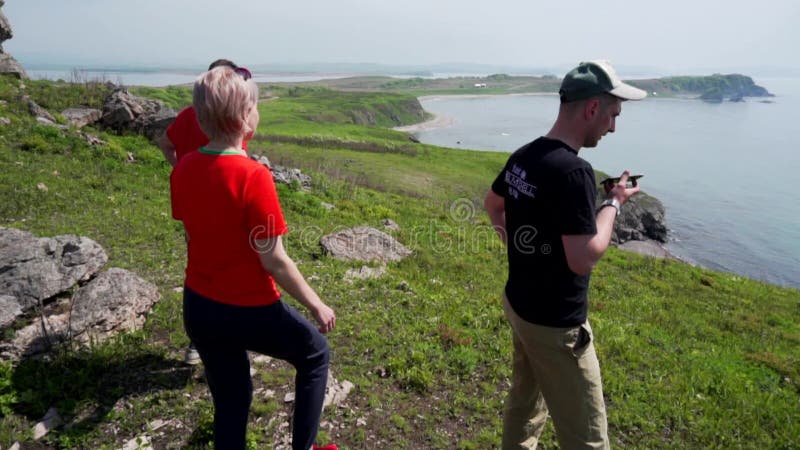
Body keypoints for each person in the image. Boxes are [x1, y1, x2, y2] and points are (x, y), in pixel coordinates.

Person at [170, 66, 337, 450]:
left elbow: (193, 235)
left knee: (232, 399)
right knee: (315, 354)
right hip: (249, 309)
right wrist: (317, 305)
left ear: (200, 117)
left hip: (199, 306)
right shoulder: (253, 176)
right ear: (245, 117)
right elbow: (274, 260)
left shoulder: (184, 169)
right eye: (256, 105)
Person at [484, 60, 646, 450]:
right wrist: (613, 203)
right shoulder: (574, 172)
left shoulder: (525, 155)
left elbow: (493, 205)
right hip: (557, 327)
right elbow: (584, 257)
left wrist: (524, 251)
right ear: (592, 108)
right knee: (588, 439)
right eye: (612, 115)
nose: (613, 127)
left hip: (519, 306)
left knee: (525, 406)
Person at [159, 58, 252, 365]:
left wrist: (181, 167)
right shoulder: (232, 120)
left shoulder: (187, 115)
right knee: (237, 265)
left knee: (199, 265)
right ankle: (232, 336)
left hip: (193, 202)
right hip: (228, 198)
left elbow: (165, 143)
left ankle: (198, 343)